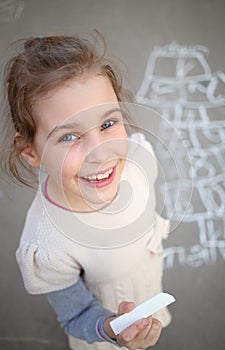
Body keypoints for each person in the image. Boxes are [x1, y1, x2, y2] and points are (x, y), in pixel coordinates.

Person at [1, 34, 172, 350]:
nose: (100, 153)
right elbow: (76, 313)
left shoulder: (135, 158)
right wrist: (112, 328)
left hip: (148, 289)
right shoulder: (48, 243)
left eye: (108, 124)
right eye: (69, 137)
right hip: (106, 331)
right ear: (30, 151)